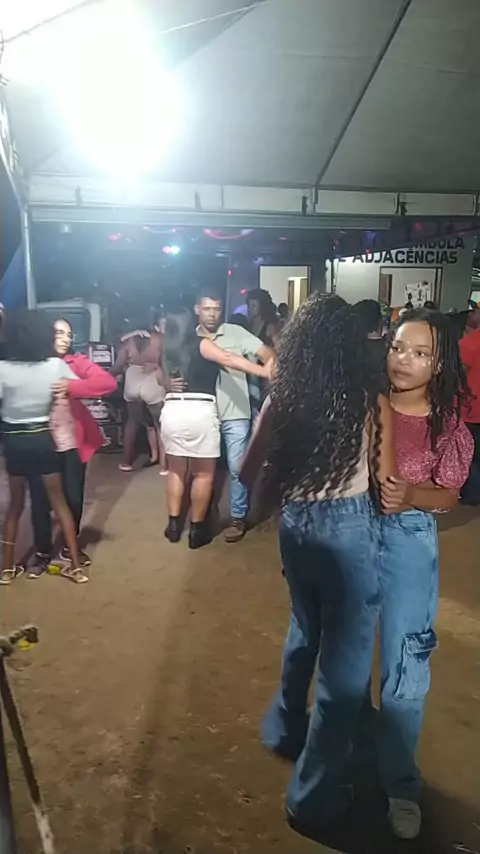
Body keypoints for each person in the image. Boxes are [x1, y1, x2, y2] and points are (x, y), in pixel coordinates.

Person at [239, 293, 395, 830]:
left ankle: (285, 728)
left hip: (296, 524)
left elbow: (246, 471)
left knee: (305, 628)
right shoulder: (366, 399)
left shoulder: (282, 399)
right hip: (348, 530)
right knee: (344, 670)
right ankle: (312, 796)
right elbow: (384, 483)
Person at [378, 308, 473, 839]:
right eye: (397, 347)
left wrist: (413, 495)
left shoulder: (446, 424)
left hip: (409, 541)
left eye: (420, 353)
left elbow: (450, 495)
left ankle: (400, 786)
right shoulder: (363, 405)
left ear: (439, 365)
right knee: (342, 659)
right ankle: (333, 764)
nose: (403, 360)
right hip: (349, 532)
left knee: (405, 662)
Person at [161, 308, 272, 549]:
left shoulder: (168, 348)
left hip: (171, 410)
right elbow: (228, 358)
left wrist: (167, 383)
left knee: (176, 471)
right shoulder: (200, 344)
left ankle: (173, 527)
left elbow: (160, 376)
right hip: (199, 409)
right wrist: (263, 371)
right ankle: (197, 531)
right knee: (204, 474)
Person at [0, 310, 85, 584]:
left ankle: (7, 570)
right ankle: (76, 568)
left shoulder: (2, 368)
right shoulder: (55, 366)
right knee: (59, 503)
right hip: (42, 437)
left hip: (14, 440)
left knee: (15, 506)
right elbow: (77, 386)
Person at [28, 318, 117, 576]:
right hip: (40, 441)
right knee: (40, 500)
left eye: (69, 334)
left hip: (73, 442)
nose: (66, 338)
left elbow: (108, 383)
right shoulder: (31, 363)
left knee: (74, 497)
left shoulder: (76, 363)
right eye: (59, 333)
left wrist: (71, 386)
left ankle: (70, 547)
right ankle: (42, 552)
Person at [195, 287, 274, 542]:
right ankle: (205, 515)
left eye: (216, 309)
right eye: (207, 308)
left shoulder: (235, 332)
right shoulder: (190, 339)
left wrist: (269, 372)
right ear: (197, 310)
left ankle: (238, 516)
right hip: (203, 414)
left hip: (236, 411)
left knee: (237, 467)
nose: (212, 314)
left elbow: (268, 353)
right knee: (204, 471)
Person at [112, 324, 166, 472]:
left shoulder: (130, 342)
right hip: (152, 379)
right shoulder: (160, 339)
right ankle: (164, 466)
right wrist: (156, 366)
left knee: (132, 422)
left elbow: (117, 366)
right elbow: (168, 359)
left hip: (132, 378)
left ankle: (126, 462)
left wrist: (106, 376)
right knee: (159, 425)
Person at [459, 308, 480, 503]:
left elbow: (459, 376)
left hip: (471, 408)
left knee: (468, 453)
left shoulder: (468, 344)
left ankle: (473, 495)